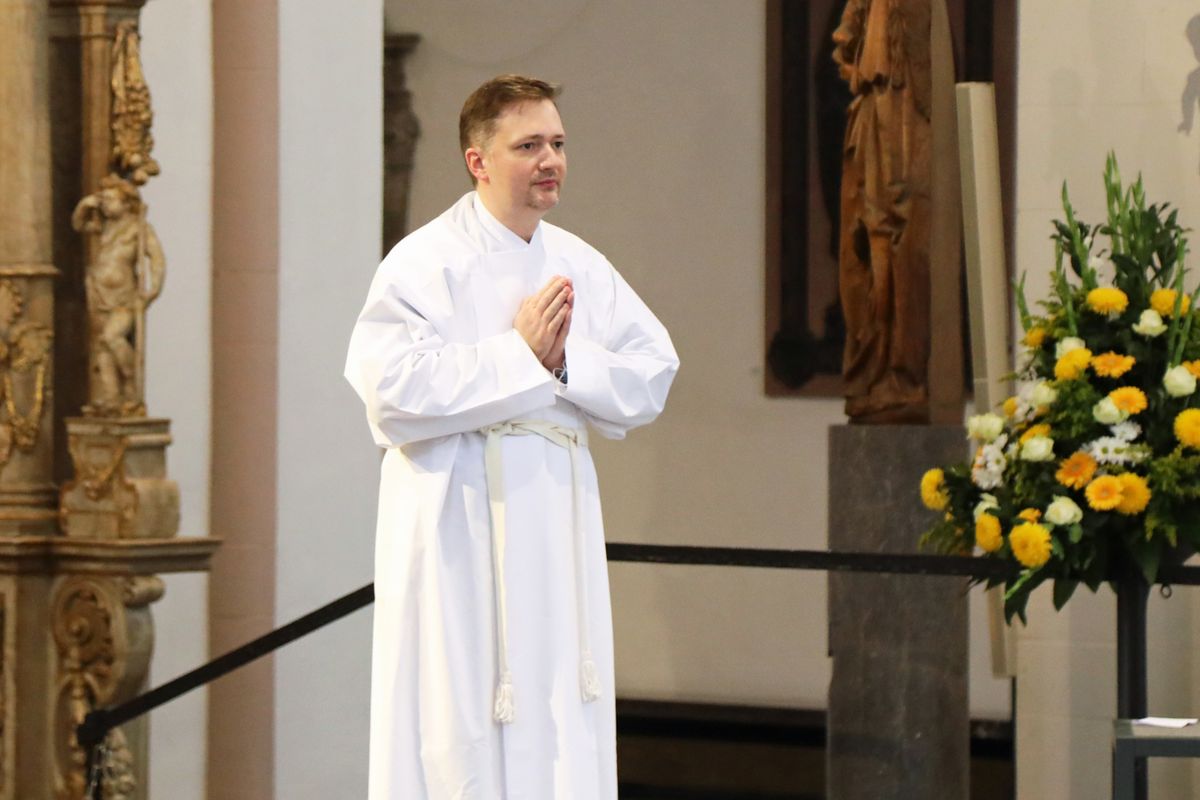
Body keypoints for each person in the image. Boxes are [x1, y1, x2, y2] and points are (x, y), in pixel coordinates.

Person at [345, 74, 679, 800]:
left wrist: (564, 361)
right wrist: (517, 357)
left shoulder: (579, 265)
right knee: (455, 706)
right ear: (479, 160)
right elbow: (390, 390)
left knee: (558, 698)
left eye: (557, 143)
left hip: (553, 520)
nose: (550, 159)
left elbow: (654, 372)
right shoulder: (423, 262)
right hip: (456, 520)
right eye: (528, 145)